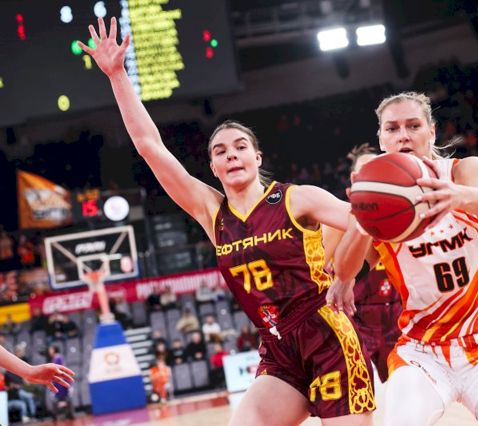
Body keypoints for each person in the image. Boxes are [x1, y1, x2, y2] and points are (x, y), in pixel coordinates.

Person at [80, 17, 374, 425]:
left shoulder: (296, 197)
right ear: (213, 167)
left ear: (257, 157)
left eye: (240, 147)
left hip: (326, 338)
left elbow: (365, 217)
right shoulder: (211, 212)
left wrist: (345, 274)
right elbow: (149, 146)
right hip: (278, 351)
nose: (231, 154)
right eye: (220, 151)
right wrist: (117, 76)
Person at [328, 91, 478, 426]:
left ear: (431, 131)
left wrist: (457, 196)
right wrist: (360, 218)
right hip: (422, 352)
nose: (403, 135)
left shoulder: (463, 171)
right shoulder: (378, 200)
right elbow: (346, 270)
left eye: (413, 126)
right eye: (392, 128)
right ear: (382, 139)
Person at [322, 144, 402, 384]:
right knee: (362, 394)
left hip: (397, 316)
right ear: (353, 180)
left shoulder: (405, 213)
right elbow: (314, 268)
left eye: (376, 169)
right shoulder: (339, 218)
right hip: (355, 318)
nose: (371, 175)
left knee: (402, 391)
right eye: (364, 171)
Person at [0, 344, 74, 393]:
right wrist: (29, 371)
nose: (49, 351)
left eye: (51, 349)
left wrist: (29, 371)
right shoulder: (58, 357)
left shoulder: (57, 357)